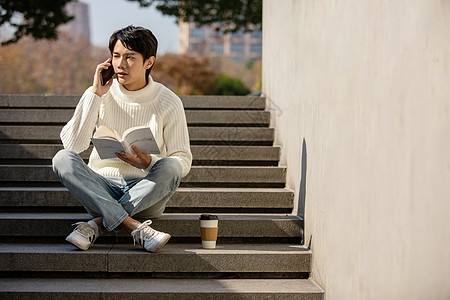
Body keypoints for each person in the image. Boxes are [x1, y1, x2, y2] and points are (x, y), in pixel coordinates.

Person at [52, 25, 192, 253]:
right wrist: (95, 95)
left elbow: (183, 161)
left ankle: (97, 224)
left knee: (171, 165)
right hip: (101, 188)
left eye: (130, 57)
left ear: (149, 62)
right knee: (62, 159)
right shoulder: (98, 93)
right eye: (116, 56)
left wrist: (148, 163)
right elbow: (73, 146)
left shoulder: (168, 101)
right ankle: (133, 226)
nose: (120, 64)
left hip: (146, 190)